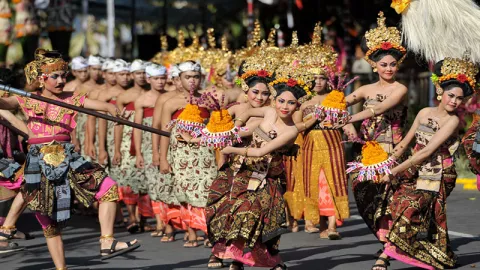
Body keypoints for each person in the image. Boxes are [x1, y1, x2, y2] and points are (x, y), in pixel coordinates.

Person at [0, 49, 139, 269]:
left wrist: (114, 111)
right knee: (49, 222)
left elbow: (104, 106)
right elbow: (4, 104)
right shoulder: (27, 100)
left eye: (64, 76)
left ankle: (107, 241)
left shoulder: (72, 99)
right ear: (41, 79)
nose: (61, 80)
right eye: (55, 76)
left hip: (68, 157)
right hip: (40, 161)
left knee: (109, 189)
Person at [375, 57, 477, 270]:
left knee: (410, 207)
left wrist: (395, 171)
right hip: (414, 169)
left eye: (459, 98)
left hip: (437, 173)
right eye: (451, 96)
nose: (454, 102)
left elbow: (428, 151)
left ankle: (384, 258)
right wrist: (386, 163)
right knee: (397, 204)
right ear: (441, 92)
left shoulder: (453, 121)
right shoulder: (423, 113)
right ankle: (432, 251)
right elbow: (404, 143)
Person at [345, 12, 408, 256]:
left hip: (392, 148)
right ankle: (386, 240)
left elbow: (381, 108)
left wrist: (350, 117)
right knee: (362, 193)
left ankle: (388, 247)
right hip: (367, 151)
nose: (389, 68)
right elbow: (339, 103)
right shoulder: (366, 89)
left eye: (393, 64)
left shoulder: (400, 88)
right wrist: (344, 124)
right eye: (384, 64)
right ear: (374, 65)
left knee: (388, 198)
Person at [159, 60, 217, 247]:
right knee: (184, 192)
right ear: (179, 79)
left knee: (207, 191)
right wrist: (162, 159)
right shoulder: (171, 103)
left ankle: (209, 231)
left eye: (196, 77)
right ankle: (191, 232)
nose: (192, 81)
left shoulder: (208, 100)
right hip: (180, 155)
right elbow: (164, 134)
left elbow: (217, 129)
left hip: (205, 154)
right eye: (188, 77)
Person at [114, 59, 153, 233]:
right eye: (138, 73)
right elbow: (119, 124)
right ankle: (132, 218)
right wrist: (116, 149)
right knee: (129, 180)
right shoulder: (123, 97)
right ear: (132, 75)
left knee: (145, 180)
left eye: (145, 73)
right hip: (126, 142)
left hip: (147, 141)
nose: (142, 77)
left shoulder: (153, 95)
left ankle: (144, 217)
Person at [133, 63, 168, 236]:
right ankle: (160, 221)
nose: (160, 82)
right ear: (149, 79)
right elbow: (137, 128)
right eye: (156, 79)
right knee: (153, 183)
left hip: (168, 143)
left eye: (163, 78)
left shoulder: (170, 97)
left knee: (169, 182)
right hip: (149, 146)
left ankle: (172, 220)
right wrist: (138, 153)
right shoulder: (142, 100)